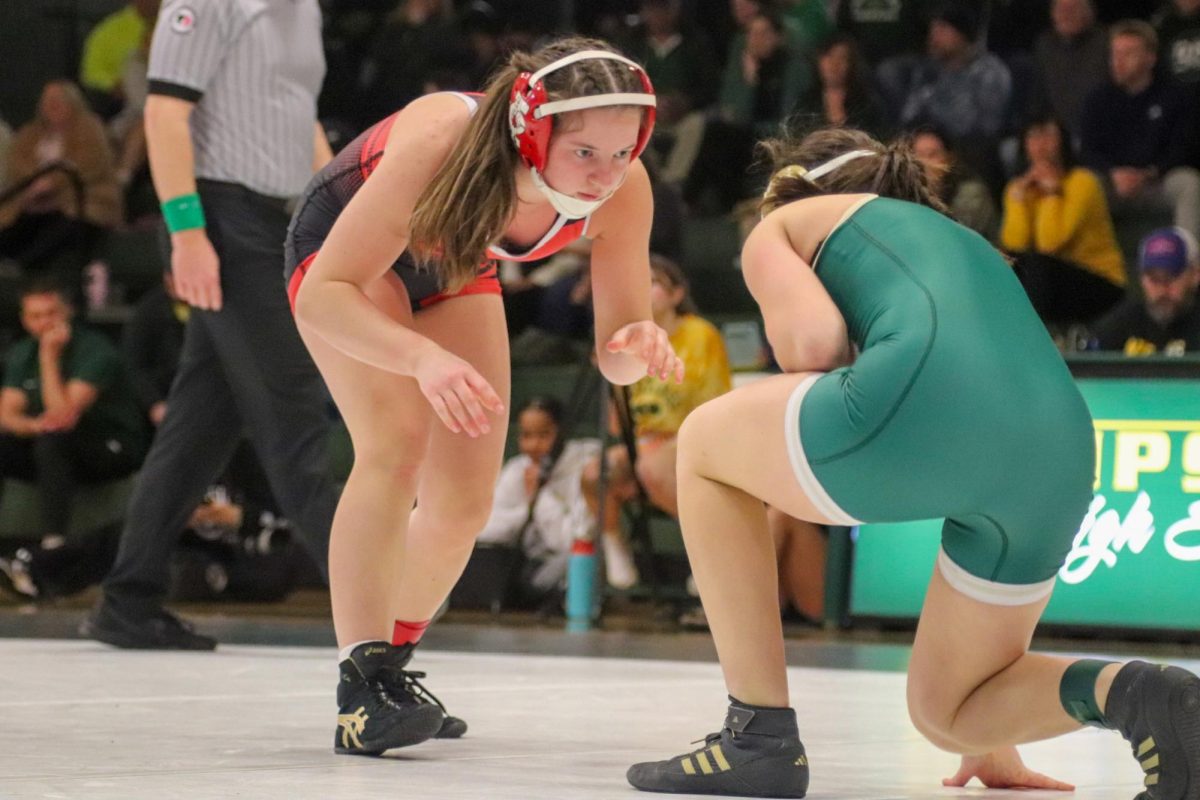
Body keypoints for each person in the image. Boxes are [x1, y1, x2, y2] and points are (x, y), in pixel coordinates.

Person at [626, 126, 1200, 798]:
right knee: (952, 709)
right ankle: (1141, 696)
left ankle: (756, 734)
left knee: (702, 446)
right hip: (1063, 448)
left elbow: (813, 345)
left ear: (790, 187)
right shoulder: (967, 245)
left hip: (925, 403)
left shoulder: (782, 223)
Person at [286, 37, 681, 755]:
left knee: (465, 499)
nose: (606, 174)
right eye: (586, 153)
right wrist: (420, 357)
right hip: (347, 258)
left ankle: (393, 667)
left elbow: (615, 352)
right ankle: (360, 681)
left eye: (623, 152)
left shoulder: (627, 191)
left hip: (453, 261)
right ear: (533, 131)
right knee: (398, 440)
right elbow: (325, 297)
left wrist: (636, 347)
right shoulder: (445, 143)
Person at [81, 0, 340, 651]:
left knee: (201, 424)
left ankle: (129, 599)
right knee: (296, 413)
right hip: (222, 220)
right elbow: (165, 113)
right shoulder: (204, 2)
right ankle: (390, 619)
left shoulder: (301, 9)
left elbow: (299, 119)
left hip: (279, 219)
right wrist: (188, 232)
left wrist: (340, 213)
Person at [580, 254, 732, 590]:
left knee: (651, 468)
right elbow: (618, 427)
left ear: (677, 294)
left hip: (690, 440)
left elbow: (714, 406)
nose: (644, 291)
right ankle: (614, 546)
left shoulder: (701, 335)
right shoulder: (632, 341)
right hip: (643, 444)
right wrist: (608, 369)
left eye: (654, 283)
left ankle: (707, 555)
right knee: (595, 474)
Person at [0, 277, 147, 596]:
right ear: (24, 320)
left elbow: (63, 414)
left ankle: (54, 546)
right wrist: (35, 426)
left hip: (110, 448)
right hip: (50, 443)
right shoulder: (22, 352)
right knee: (30, 442)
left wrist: (49, 359)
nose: (44, 323)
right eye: (35, 317)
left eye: (51, 313)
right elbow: (7, 414)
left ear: (67, 313)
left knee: (55, 441)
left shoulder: (95, 350)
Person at [1079, 19, 1200, 239]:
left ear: (1150, 58)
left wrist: (1148, 173)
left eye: (1128, 54)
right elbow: (1087, 150)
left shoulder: (1174, 96)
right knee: (1082, 182)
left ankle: (1186, 263)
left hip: (1155, 182)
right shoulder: (1098, 99)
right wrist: (1113, 172)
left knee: (1189, 182)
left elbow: (1183, 148)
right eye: (1115, 54)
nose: (1118, 61)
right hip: (1112, 183)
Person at [475, 396, 599, 609]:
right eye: (526, 435)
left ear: (562, 433)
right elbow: (485, 528)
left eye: (544, 435)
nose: (533, 445)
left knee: (568, 564)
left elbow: (569, 541)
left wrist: (541, 498)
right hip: (528, 562)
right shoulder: (518, 470)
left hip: (572, 565)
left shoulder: (585, 468)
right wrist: (527, 509)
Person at [1001, 115, 1126, 324]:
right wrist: (1019, 199)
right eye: (1033, 136)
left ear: (1063, 141)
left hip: (1101, 283)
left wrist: (1052, 194)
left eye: (1048, 135)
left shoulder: (1083, 183)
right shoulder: (1018, 189)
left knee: (1038, 265)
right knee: (1012, 266)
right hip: (1052, 280)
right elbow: (1014, 245)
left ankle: (1033, 336)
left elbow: (1051, 242)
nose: (1041, 144)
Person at [0, 81, 122, 273]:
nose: (52, 106)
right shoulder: (30, 134)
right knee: (16, 224)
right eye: (47, 102)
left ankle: (24, 266)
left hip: (81, 201)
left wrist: (53, 183)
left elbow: (90, 164)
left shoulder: (90, 129)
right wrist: (35, 184)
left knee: (63, 227)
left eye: (58, 101)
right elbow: (17, 164)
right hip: (33, 201)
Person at [1090, 226, 1200, 354]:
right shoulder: (1122, 325)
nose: (1161, 288)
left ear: (1195, 275)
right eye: (1153, 279)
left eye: (1170, 277)